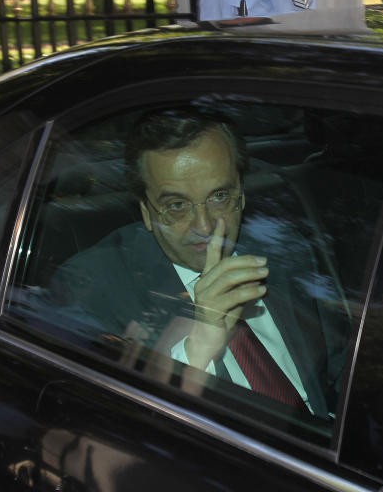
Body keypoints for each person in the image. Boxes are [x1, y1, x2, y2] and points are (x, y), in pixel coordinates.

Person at [49, 108, 348, 417]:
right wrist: (199, 342)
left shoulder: (286, 249)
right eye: (177, 206)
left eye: (220, 196)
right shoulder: (92, 287)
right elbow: (115, 424)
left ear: (241, 195)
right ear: (147, 213)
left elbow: (338, 372)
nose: (204, 226)